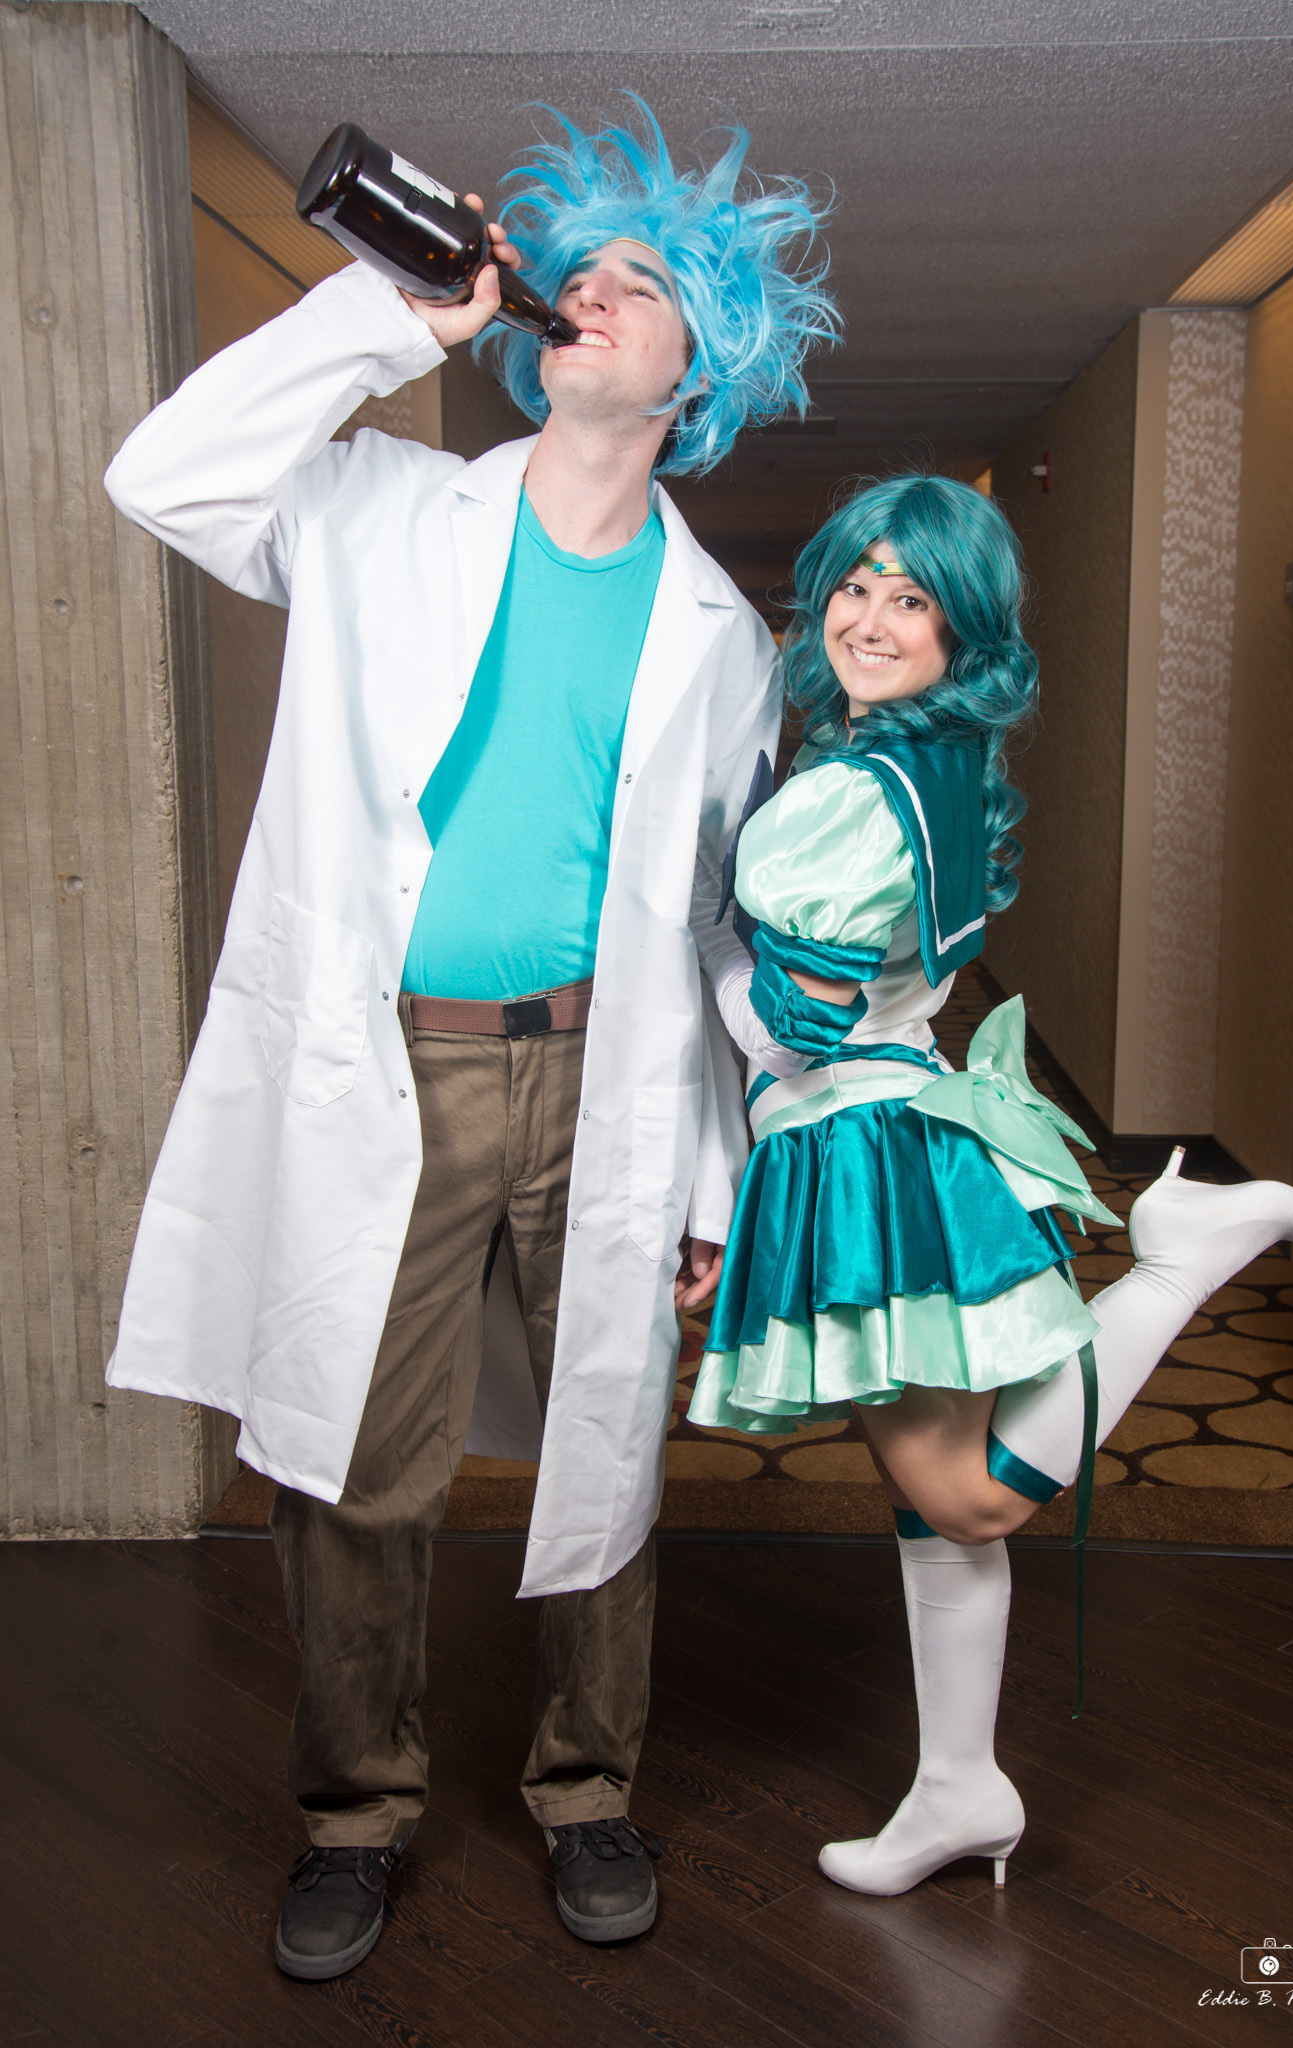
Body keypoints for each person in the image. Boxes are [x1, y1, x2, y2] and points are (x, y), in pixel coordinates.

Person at [102, 99, 837, 1976]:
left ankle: (589, 1791)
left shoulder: (724, 638)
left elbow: (709, 923)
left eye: (646, 284)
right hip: (392, 1067)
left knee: (608, 1440)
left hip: (605, 1072)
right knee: (351, 1458)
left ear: (702, 371)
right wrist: (380, 319)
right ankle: (353, 1815)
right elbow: (163, 476)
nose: (596, 293)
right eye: (584, 270)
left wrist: (712, 1173)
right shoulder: (376, 508)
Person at [690, 472, 1293, 1897]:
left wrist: (705, 928)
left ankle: (1180, 1257)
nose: (870, 619)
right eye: (855, 585)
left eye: (912, 599)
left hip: (861, 1152)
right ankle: (959, 1787)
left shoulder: (841, 798)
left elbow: (791, 1028)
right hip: (902, 1132)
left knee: (970, 1497)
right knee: (931, 1504)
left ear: (961, 634)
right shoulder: (933, 764)